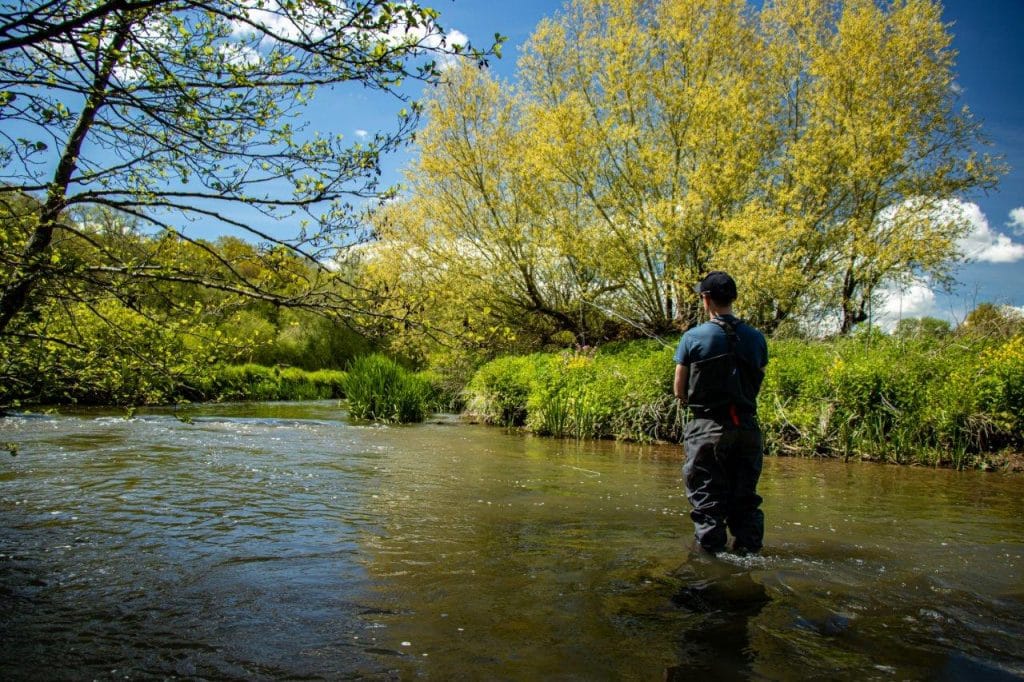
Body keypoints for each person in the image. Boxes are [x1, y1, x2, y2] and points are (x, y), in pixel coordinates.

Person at [673, 271, 768, 555]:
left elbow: (680, 389)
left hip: (707, 429)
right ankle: (748, 554)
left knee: (707, 501)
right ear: (733, 298)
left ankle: (710, 566)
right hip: (747, 430)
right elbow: (757, 382)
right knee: (745, 500)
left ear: (706, 299)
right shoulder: (757, 338)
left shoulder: (692, 338)